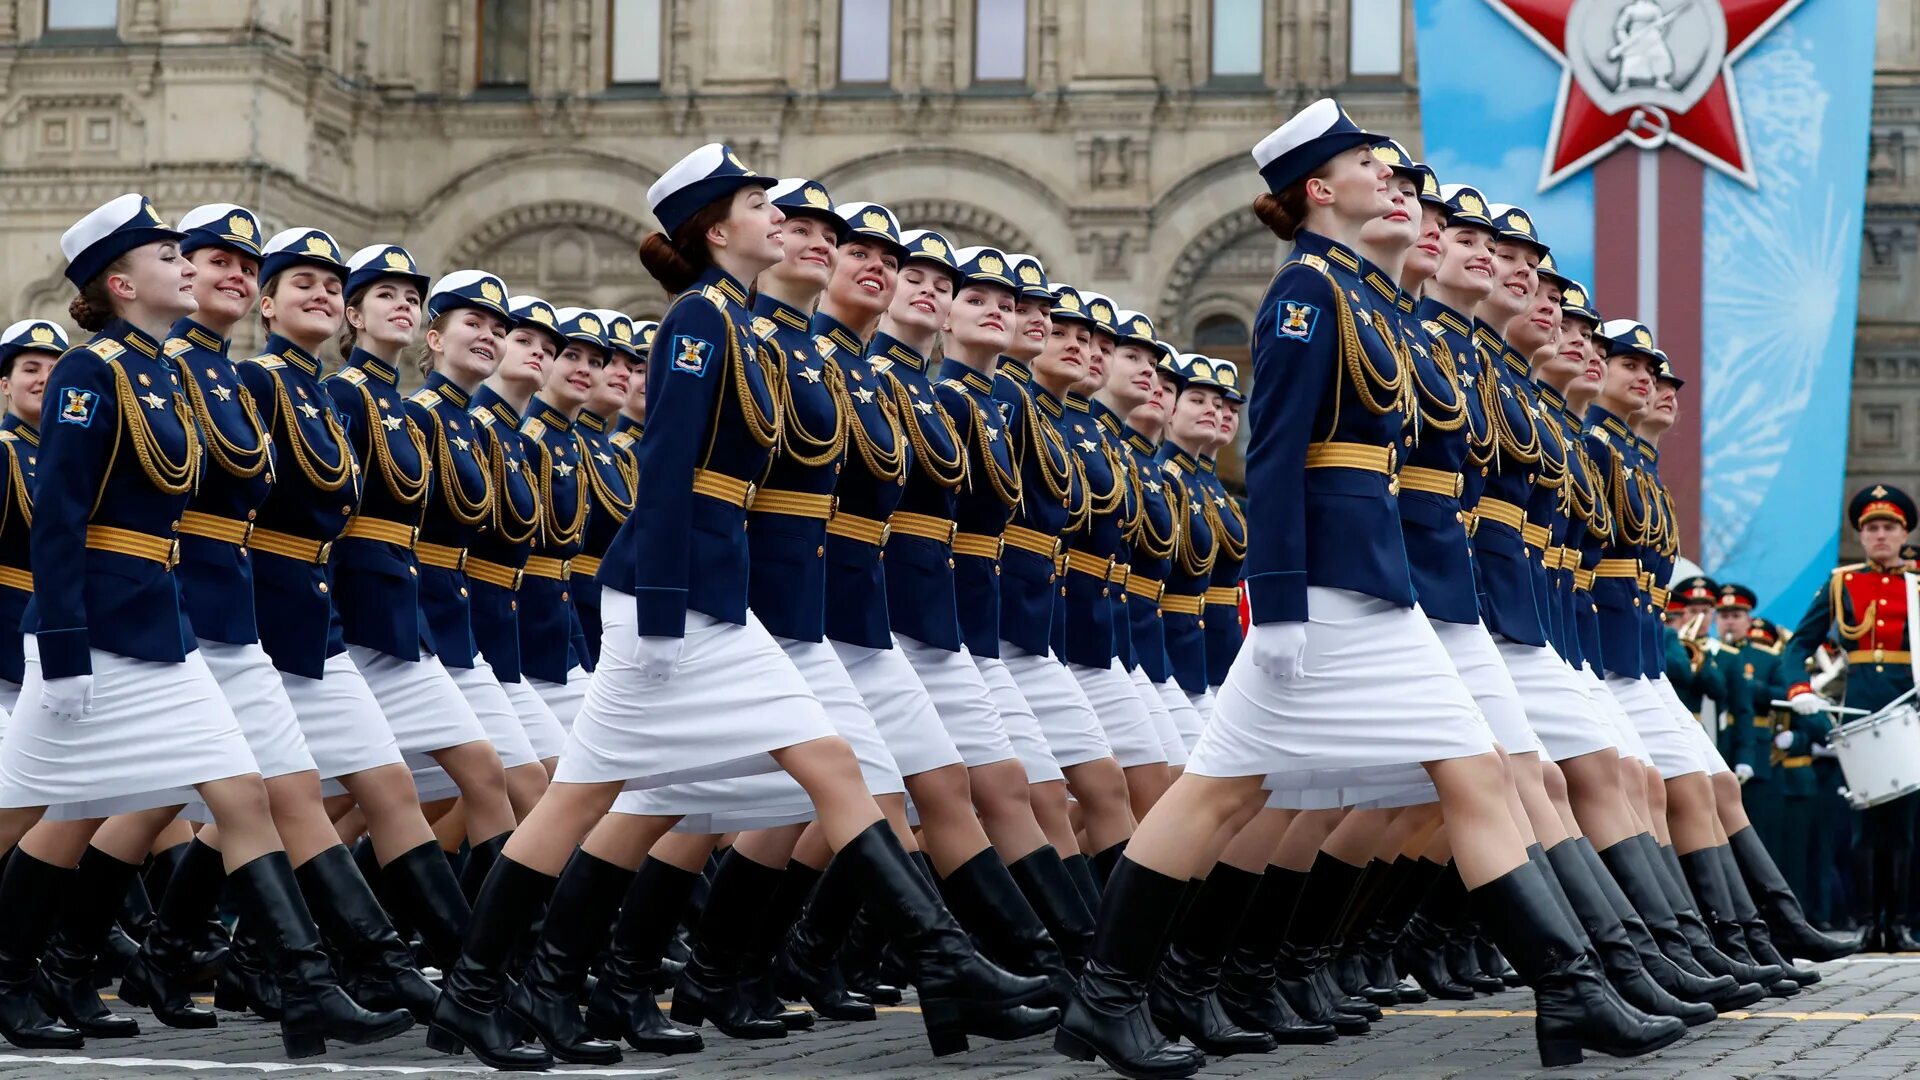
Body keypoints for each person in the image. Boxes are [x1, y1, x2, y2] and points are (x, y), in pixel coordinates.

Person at [1055, 101, 1682, 1077]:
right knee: (1240, 796)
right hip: (1335, 596)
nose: (1394, 183)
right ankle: (1571, 990)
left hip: (1370, 587)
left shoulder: (1359, 295)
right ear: (1318, 189)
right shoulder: (1305, 293)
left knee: (1236, 795)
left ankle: (1570, 994)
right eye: (1370, 167)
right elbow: (1272, 456)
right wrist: (1278, 601)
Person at [426, 144, 1057, 1070]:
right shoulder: (698, 321)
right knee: (782, 775)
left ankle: (515, 992)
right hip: (674, 601)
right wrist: (670, 616)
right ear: (718, 230)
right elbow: (671, 471)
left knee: (589, 801)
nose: (780, 218)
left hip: (714, 598)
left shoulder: (747, 330)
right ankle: (945, 963)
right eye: (763, 206)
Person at [0, 194, 414, 1058]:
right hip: (97, 632)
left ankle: (308, 992)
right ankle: (8, 975)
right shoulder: (93, 370)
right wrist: (65, 644)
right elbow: (60, 519)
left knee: (243, 794)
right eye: (166, 256)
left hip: (166, 624)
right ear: (120, 281)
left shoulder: (167, 373)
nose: (187, 265)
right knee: (20, 811)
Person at [232, 227, 473, 1000]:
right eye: (302, 281)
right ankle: (220, 950)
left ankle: (456, 972)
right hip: (281, 617)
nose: (322, 294)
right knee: (225, 801)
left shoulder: (343, 395)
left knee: (357, 794)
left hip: (338, 614)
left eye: (331, 283)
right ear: (267, 302)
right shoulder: (289, 386)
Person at [403, 267, 551, 822]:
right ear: (435, 338)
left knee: (498, 784)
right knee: (367, 793)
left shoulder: (481, 432)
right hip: (417, 618)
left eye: (496, 327)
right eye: (473, 322)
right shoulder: (416, 416)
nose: (488, 334)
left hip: (462, 619)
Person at [1787, 484, 1918, 952]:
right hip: (1859, 713)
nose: (1880, 535)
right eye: (1872, 528)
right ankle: (1868, 923)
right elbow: (1797, 646)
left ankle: (1900, 923)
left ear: (1905, 532)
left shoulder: (1917, 582)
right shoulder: (1842, 582)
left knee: (1904, 821)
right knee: (1866, 818)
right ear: (1861, 536)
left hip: (1909, 709)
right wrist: (1801, 689)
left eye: (1889, 527)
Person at [0, 319, 63, 714]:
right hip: (8, 650)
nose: (44, 380)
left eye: (55, 371)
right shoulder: (3, 453)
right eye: (30, 369)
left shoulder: (68, 459)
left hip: (53, 648)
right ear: (5, 384)